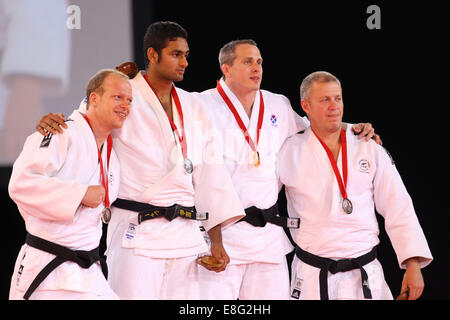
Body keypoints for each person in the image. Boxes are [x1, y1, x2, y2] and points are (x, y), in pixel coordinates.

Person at [34, 21, 245, 300]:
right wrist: (55, 120)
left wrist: (215, 240)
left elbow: (210, 175)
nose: (184, 62)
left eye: (186, 55)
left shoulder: (195, 105)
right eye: (175, 54)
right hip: (136, 231)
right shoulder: (124, 96)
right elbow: (84, 123)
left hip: (185, 236)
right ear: (153, 55)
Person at [194, 40, 379, 299]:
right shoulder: (199, 106)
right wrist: (212, 236)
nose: (256, 68)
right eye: (247, 62)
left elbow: (312, 130)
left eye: (259, 62)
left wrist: (352, 128)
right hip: (221, 236)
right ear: (226, 68)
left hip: (267, 240)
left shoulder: (276, 104)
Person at [278, 71, 433, 300]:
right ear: (306, 105)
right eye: (325, 100)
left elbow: (397, 205)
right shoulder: (288, 150)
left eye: (338, 98)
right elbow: (259, 195)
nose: (334, 106)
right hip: (312, 275)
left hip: (365, 273)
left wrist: (413, 264)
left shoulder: (367, 145)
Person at [8, 69, 132, 299]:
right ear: (93, 99)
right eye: (118, 97)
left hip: (87, 271)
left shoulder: (111, 152)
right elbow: (20, 184)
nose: (126, 105)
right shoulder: (59, 132)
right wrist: (80, 194)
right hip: (49, 270)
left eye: (129, 100)